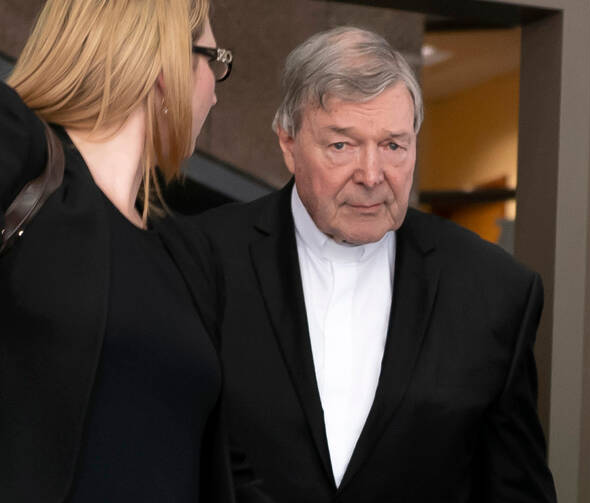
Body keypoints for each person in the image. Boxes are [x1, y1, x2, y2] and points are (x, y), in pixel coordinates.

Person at [197, 26, 557, 502]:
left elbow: (516, 490)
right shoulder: (201, 260)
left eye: (393, 146)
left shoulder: (494, 291)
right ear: (288, 143)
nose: (372, 176)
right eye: (342, 146)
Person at [0, 1, 237, 502]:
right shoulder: (18, 154)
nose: (216, 93)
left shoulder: (189, 256)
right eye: (215, 61)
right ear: (165, 65)